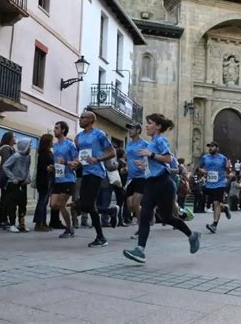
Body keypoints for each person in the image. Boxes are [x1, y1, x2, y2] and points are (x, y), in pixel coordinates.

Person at [123, 113, 201, 263]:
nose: (146, 126)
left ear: (158, 126)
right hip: (150, 183)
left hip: (164, 183)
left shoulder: (160, 140)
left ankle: (192, 235)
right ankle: (140, 250)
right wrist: (144, 165)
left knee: (167, 217)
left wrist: (150, 154)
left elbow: (168, 159)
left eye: (149, 123)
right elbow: (156, 164)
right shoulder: (151, 143)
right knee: (145, 216)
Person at [74, 111, 116, 247]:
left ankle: (101, 237)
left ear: (91, 120)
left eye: (82, 118)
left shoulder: (99, 134)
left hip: (97, 172)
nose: (80, 120)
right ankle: (110, 211)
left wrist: (97, 159)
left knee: (87, 204)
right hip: (85, 173)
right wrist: (76, 163)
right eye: (80, 118)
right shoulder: (78, 137)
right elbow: (80, 156)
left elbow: (112, 152)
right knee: (85, 205)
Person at [49, 121, 79, 238]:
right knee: (53, 204)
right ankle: (76, 206)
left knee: (61, 205)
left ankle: (69, 229)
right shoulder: (55, 146)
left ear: (63, 130)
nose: (54, 130)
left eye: (56, 128)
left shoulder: (70, 145)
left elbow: (77, 163)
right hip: (58, 178)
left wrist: (66, 162)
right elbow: (56, 162)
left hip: (68, 179)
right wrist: (52, 167)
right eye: (54, 127)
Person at [200, 141, 231, 233]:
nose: (210, 148)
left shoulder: (223, 158)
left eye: (212, 146)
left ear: (217, 148)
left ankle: (214, 224)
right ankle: (224, 207)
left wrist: (228, 166)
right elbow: (199, 167)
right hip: (209, 184)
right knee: (215, 203)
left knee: (216, 203)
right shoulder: (205, 157)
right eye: (209, 147)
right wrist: (202, 171)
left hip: (220, 183)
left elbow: (227, 169)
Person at [3, 138, 31, 233]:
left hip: (23, 183)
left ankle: (21, 224)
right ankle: (12, 224)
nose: (30, 147)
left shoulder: (28, 157)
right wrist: (12, 177)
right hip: (14, 183)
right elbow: (5, 166)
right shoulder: (15, 156)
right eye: (29, 146)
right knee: (13, 204)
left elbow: (27, 169)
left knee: (23, 204)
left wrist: (28, 178)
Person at [33, 134, 54, 232]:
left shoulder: (47, 152)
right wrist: (49, 168)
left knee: (44, 202)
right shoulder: (44, 153)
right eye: (51, 140)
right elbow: (42, 167)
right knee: (42, 201)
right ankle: (39, 223)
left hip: (47, 179)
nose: (53, 142)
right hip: (44, 180)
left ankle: (43, 222)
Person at [0, 132, 16, 228]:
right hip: (6, 177)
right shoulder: (6, 149)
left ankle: (3, 218)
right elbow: (7, 164)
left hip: (6, 176)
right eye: (14, 137)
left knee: (6, 199)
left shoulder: (10, 149)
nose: (15, 138)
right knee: (5, 199)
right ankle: (2, 219)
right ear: (10, 139)